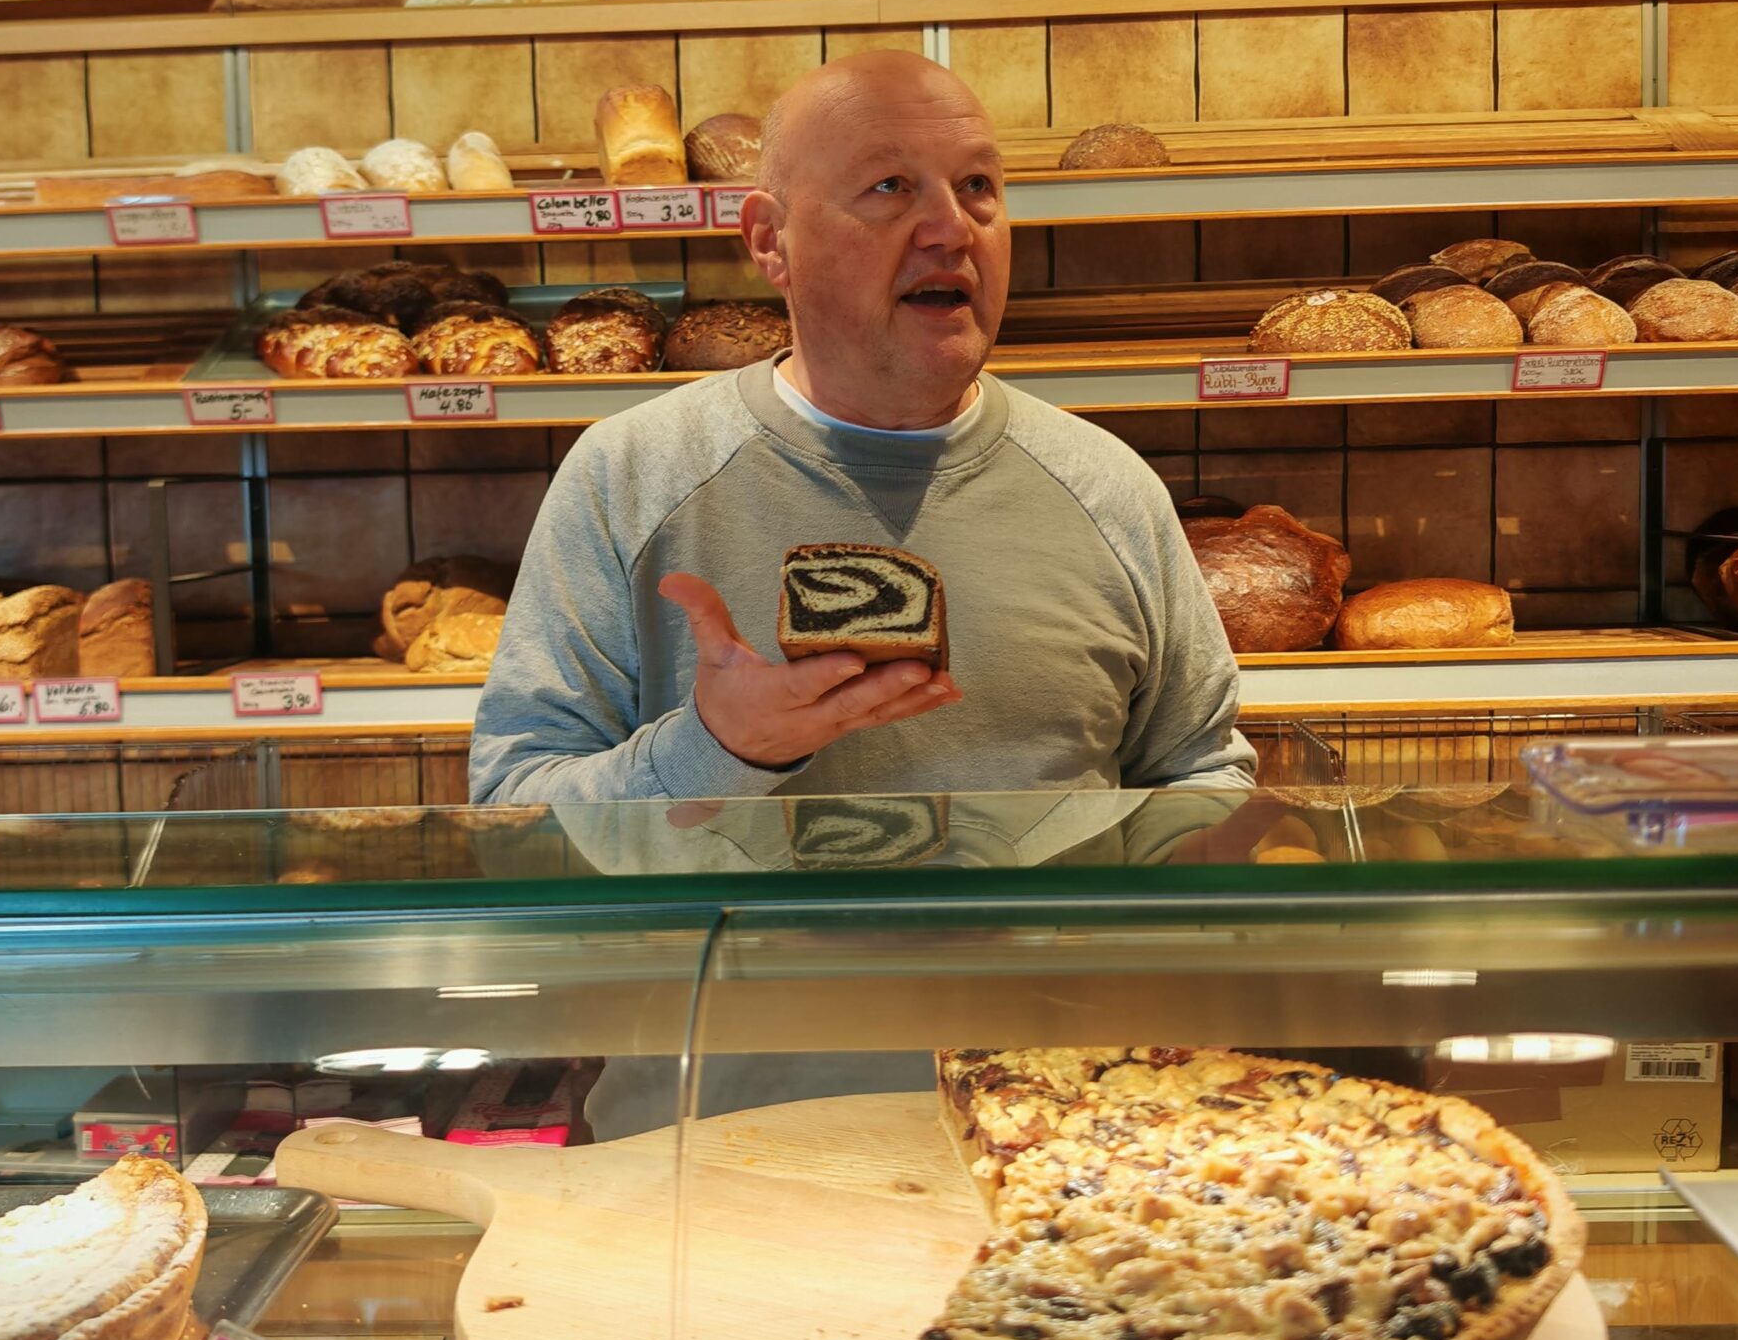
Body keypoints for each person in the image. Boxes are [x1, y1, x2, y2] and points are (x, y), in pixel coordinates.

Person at [469, 50, 1251, 806]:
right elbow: (514, 810)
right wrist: (718, 750)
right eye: (889, 187)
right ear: (770, 240)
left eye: (977, 185)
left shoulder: (1107, 486)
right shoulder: (630, 475)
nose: (951, 229)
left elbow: (1200, 770)